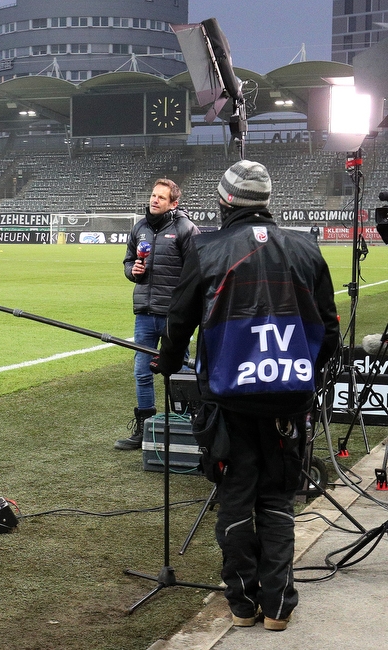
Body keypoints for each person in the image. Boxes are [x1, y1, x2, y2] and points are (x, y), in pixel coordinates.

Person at [152, 160, 340, 631]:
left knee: (236, 499)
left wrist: (169, 361)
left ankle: (242, 604)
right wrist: (306, 378)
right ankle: (279, 606)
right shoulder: (305, 247)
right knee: (277, 501)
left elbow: (179, 319)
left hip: (230, 404)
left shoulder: (207, 247)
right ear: (267, 202)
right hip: (288, 404)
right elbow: (330, 328)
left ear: (224, 201)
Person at [115, 178, 199, 450]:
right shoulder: (139, 227)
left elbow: (197, 271)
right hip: (144, 312)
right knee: (141, 371)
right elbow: (129, 261)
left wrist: (184, 307)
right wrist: (132, 271)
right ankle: (146, 430)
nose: (154, 200)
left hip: (174, 316)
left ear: (174, 203)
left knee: (178, 370)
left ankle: (187, 425)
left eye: (161, 197)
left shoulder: (186, 229)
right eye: (153, 195)